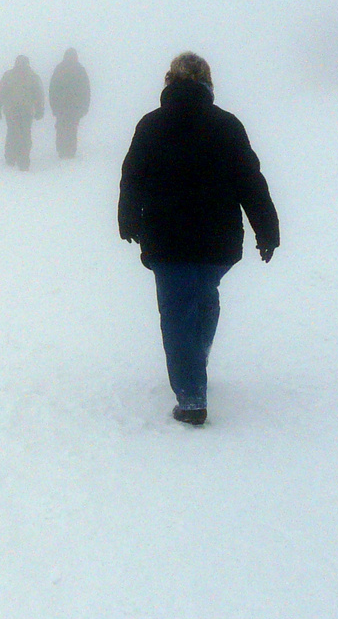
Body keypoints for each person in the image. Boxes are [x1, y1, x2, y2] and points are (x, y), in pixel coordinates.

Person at [117, 52, 279, 426]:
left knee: (175, 313)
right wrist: (266, 226)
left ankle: (191, 397)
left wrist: (128, 215)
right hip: (216, 241)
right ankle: (196, 359)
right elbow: (250, 179)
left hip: (166, 238)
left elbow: (133, 177)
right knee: (203, 298)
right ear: (208, 83)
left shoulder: (151, 125)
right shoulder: (227, 126)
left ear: (169, 81)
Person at [0, 55, 45, 171]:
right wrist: (39, 109)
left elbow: (1, 92)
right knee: (25, 135)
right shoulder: (32, 76)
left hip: (11, 110)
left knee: (12, 133)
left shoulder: (8, 75)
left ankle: (10, 158)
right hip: (26, 111)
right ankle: (23, 161)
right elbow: (39, 94)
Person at [48, 48, 90, 159]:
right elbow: (86, 90)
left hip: (62, 106)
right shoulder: (80, 70)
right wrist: (85, 106)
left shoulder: (60, 69)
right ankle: (70, 151)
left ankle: (62, 150)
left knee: (62, 128)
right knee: (71, 128)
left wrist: (53, 105)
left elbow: (52, 89)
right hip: (74, 107)